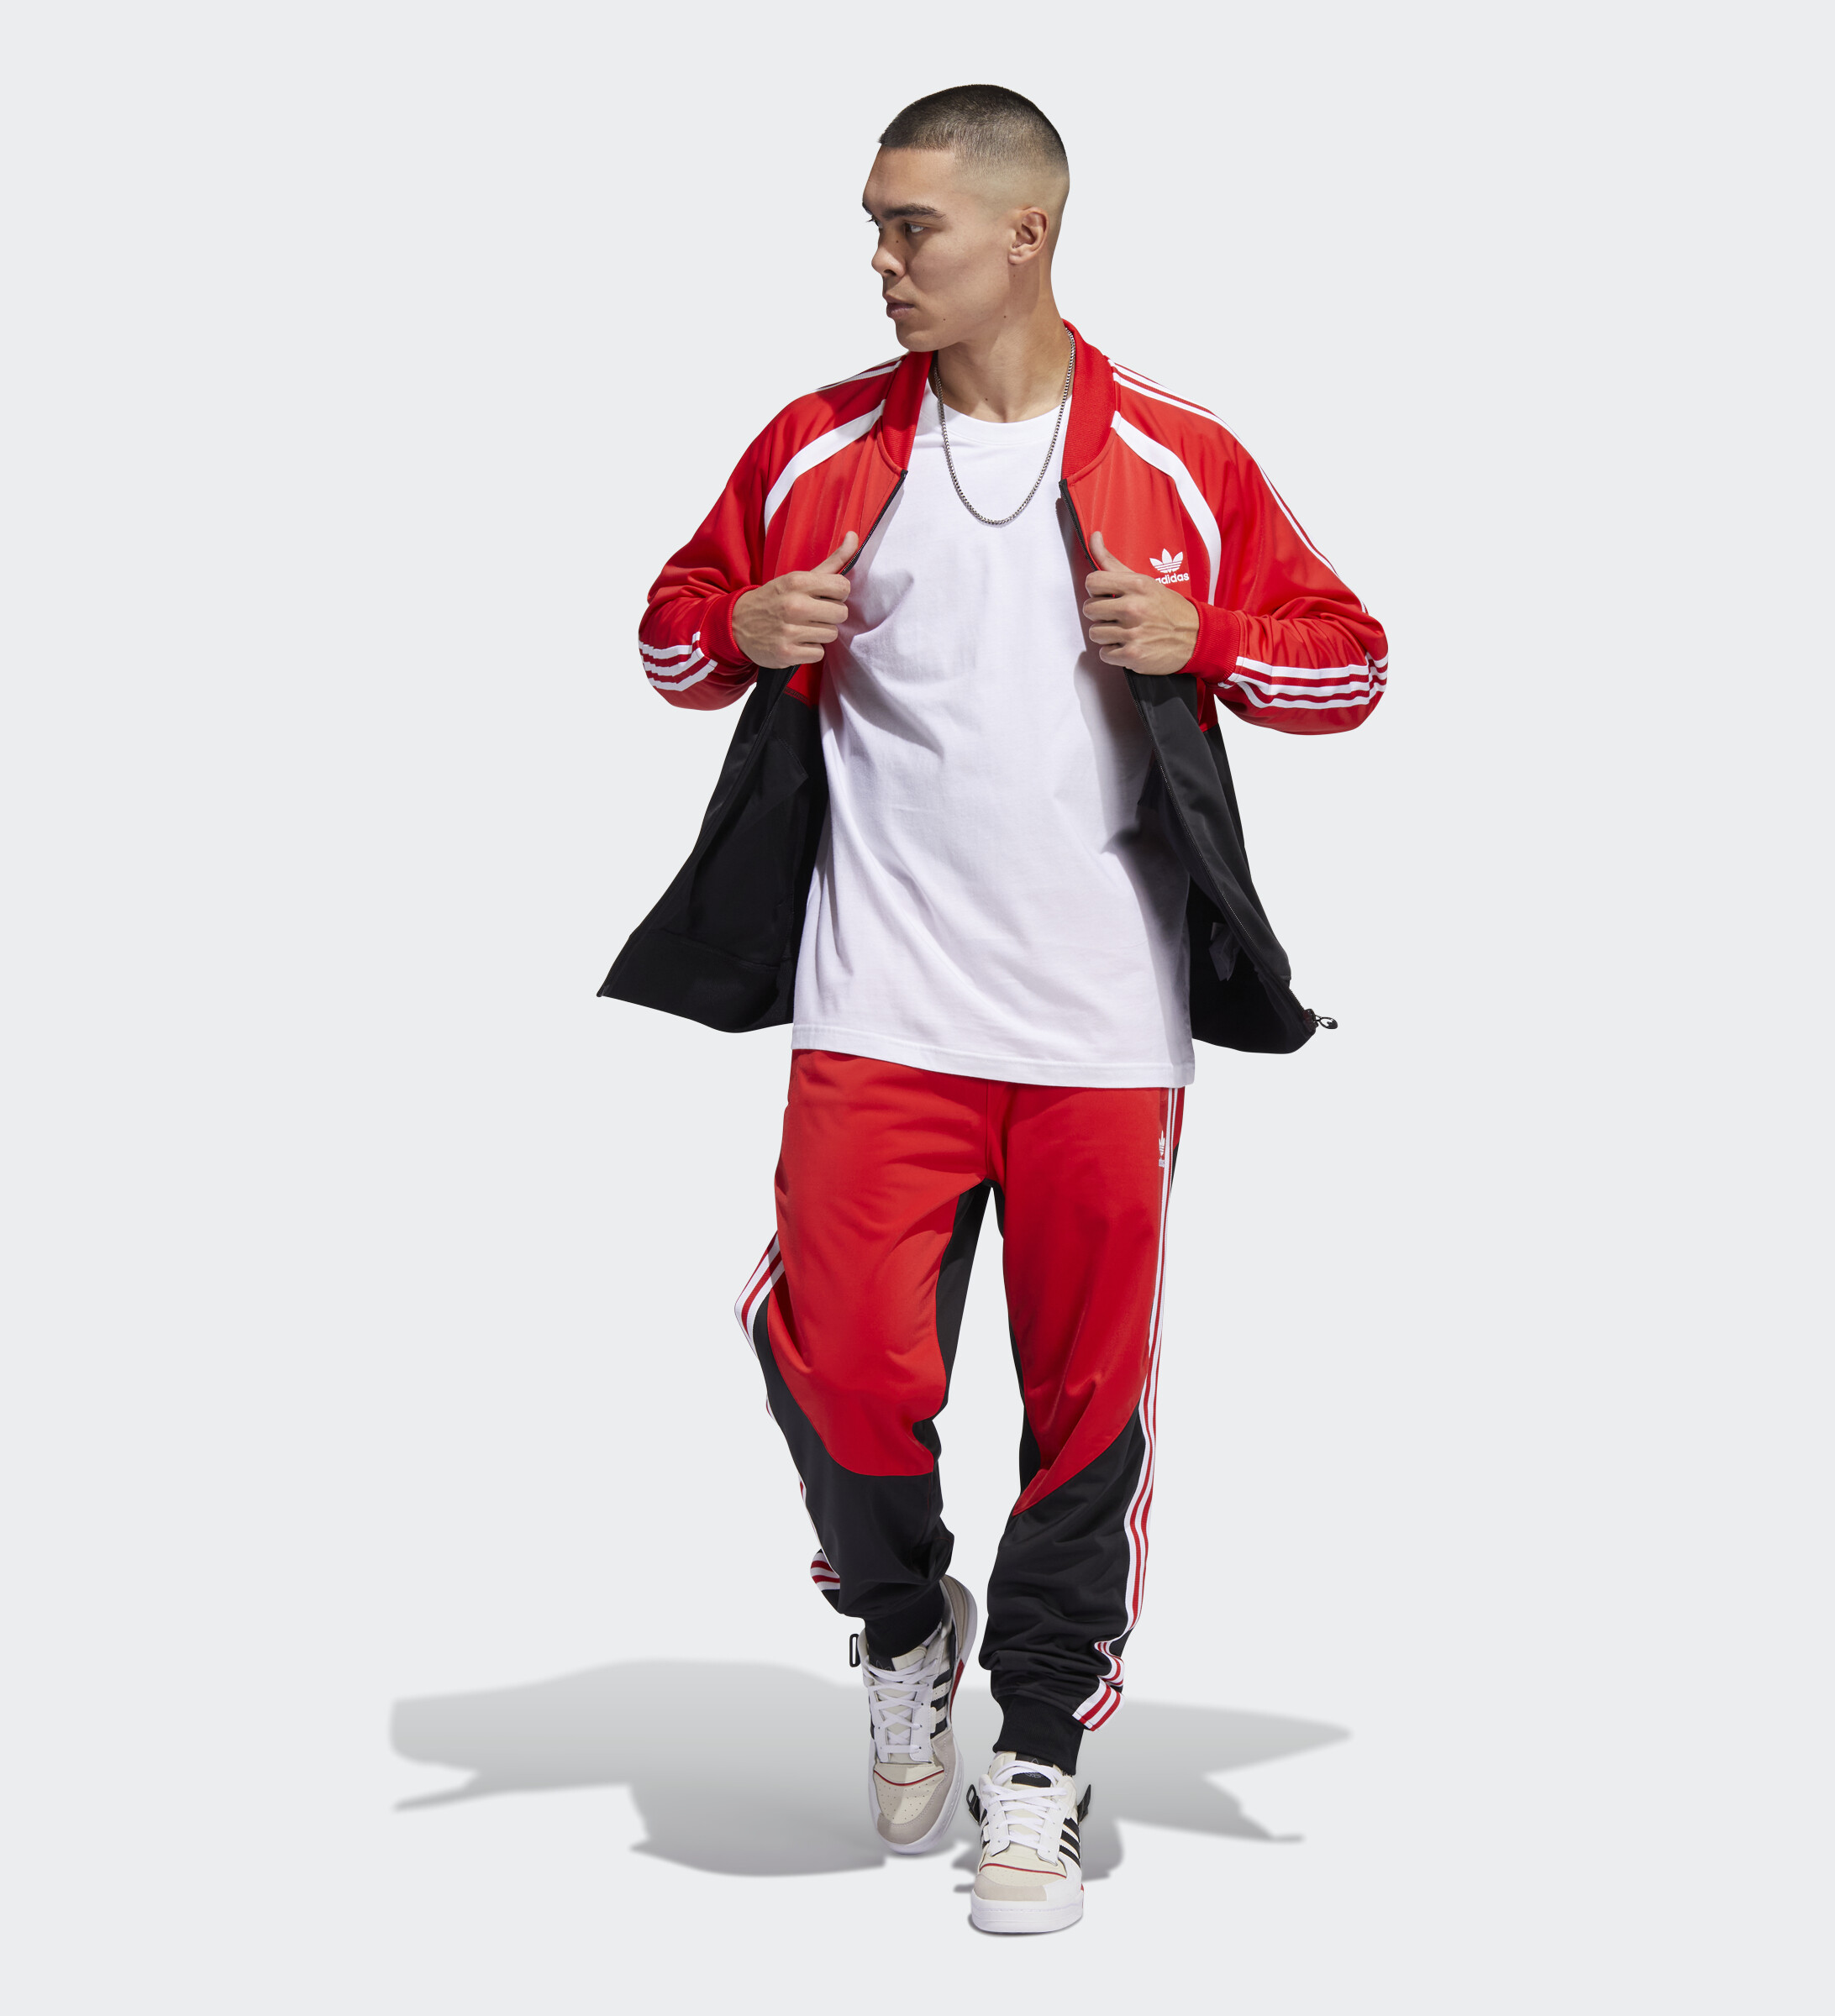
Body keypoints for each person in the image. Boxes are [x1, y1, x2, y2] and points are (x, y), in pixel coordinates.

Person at [602, 84, 1387, 1935]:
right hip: (875, 1008)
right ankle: (901, 1624)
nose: (882, 262)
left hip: (1102, 1031)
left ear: (1025, 233)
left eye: (913, 227)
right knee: (850, 1365)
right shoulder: (816, 443)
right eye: (875, 228)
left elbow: (1353, 662)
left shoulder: (1177, 456)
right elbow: (666, 628)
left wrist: (1211, 643)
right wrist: (740, 631)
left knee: (1087, 1408)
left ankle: (1038, 1749)